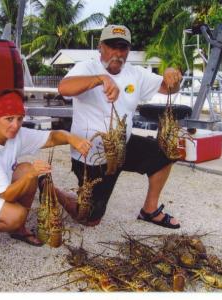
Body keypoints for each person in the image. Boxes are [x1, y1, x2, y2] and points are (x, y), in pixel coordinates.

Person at [56, 24, 183, 228]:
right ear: (100, 47)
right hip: (92, 153)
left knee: (165, 153)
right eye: (111, 46)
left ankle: (149, 210)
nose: (117, 53)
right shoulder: (86, 67)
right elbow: (63, 88)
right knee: (89, 219)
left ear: (128, 50)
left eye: (122, 47)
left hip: (123, 145)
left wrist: (172, 76)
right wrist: (100, 79)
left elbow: (168, 88)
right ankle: (56, 192)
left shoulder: (136, 74)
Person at [0, 89, 92, 250]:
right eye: (9, 119)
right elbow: (7, 196)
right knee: (16, 215)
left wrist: (70, 137)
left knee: (25, 169)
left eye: (19, 119)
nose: (15, 125)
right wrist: (31, 175)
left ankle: (19, 230)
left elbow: (52, 137)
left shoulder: (15, 135)